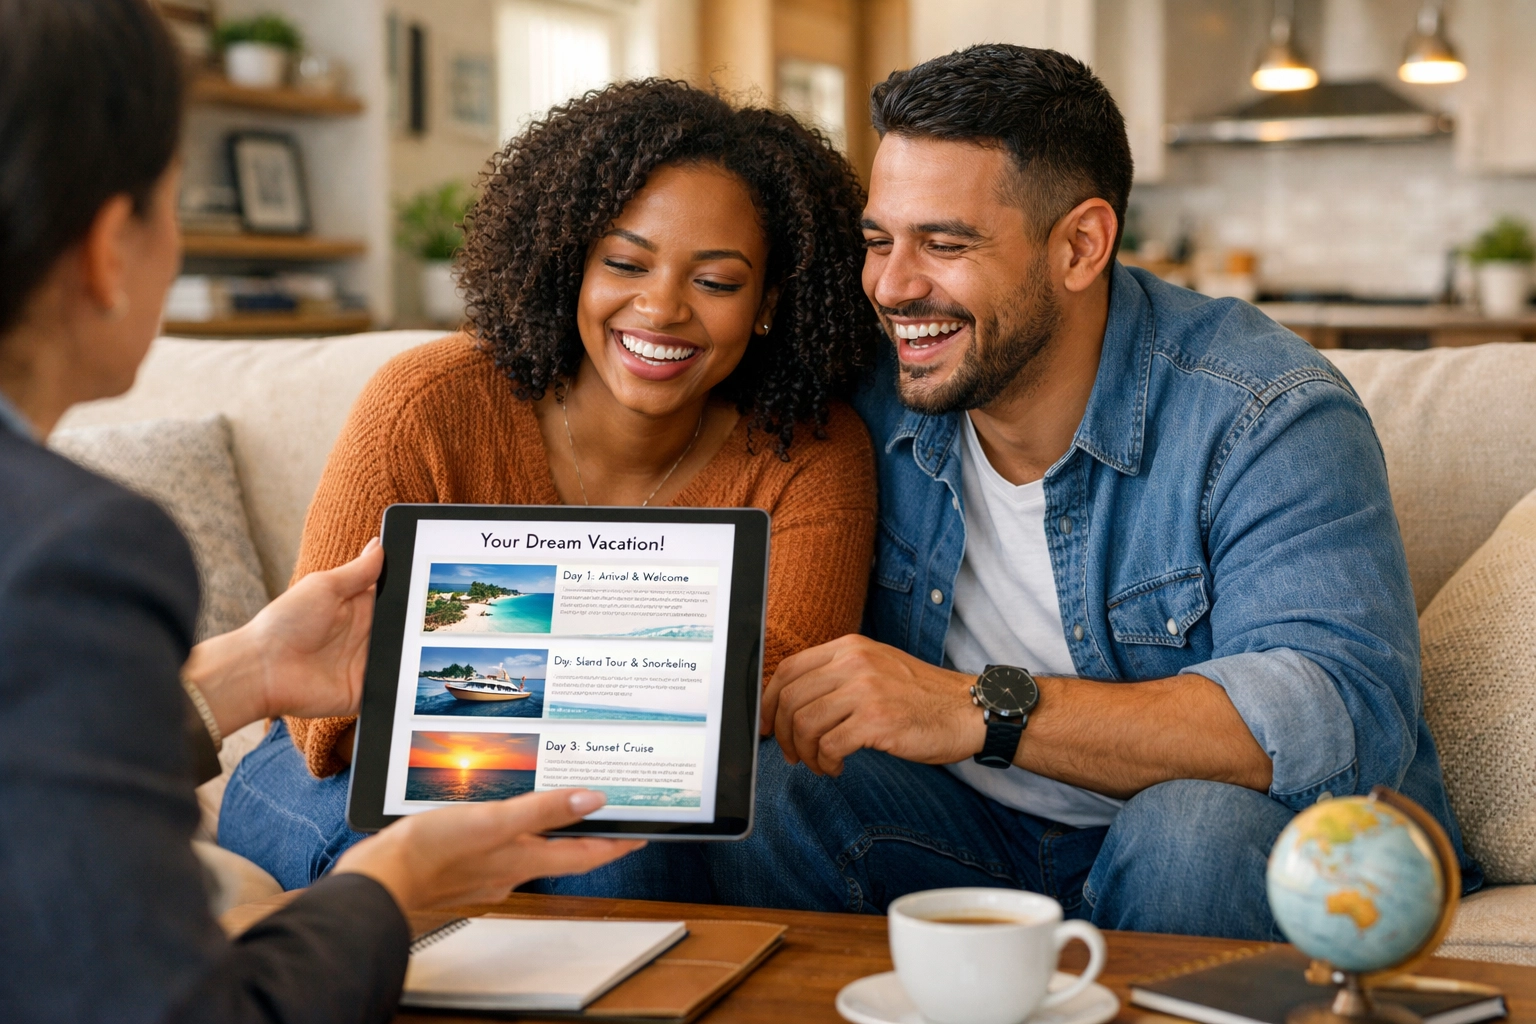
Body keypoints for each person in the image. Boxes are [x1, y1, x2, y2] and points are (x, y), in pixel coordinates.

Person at [536, 44, 1482, 939]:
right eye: (879, 241)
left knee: (1191, 831)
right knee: (776, 782)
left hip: (1206, 853)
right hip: (960, 832)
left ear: (1080, 246)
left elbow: (1339, 711)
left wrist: (979, 707)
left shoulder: (1263, 412)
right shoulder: (864, 382)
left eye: (944, 244)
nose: (895, 288)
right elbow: (661, 345)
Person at [0, 2, 642, 1020]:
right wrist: (397, 885)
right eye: (174, 202)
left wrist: (249, 669)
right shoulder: (74, 548)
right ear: (107, 244)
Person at [217, 80, 881, 888]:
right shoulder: (426, 402)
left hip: (618, 785)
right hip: (350, 778)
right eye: (626, 263)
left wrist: (502, 665)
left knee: (623, 866)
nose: (661, 307)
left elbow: (764, 701)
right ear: (574, 264)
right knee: (392, 875)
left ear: (770, 302)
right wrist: (624, 677)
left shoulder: (810, 450)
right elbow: (328, 721)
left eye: (715, 282)